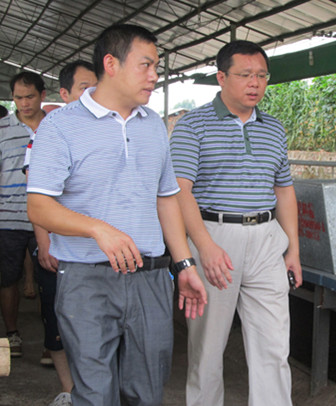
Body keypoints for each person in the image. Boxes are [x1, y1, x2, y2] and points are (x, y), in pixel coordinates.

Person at [26, 24, 207, 406]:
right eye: (145, 65)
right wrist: (97, 229)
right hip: (86, 280)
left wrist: (185, 263)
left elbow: (166, 199)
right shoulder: (60, 126)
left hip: (150, 277)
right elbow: (39, 205)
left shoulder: (153, 125)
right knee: (95, 394)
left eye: (156, 66)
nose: (154, 75)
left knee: (147, 392)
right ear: (111, 64)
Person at [170, 40, 302, 406]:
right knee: (208, 346)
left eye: (261, 75)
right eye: (245, 75)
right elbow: (180, 192)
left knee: (274, 344)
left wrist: (293, 249)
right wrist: (205, 246)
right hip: (214, 235)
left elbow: (284, 190)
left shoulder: (273, 128)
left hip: (266, 239)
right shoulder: (192, 125)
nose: (254, 83)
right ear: (221, 77)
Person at [23, 59, 97, 406]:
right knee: (59, 321)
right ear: (64, 94)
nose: (93, 93)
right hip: (61, 246)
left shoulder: (117, 127)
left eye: (97, 85)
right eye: (85, 87)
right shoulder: (49, 132)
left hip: (103, 250)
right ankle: (70, 391)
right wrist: (44, 242)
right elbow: (37, 197)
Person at [0, 71, 45, 359]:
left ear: (42, 95)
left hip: (48, 219)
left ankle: (52, 340)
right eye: (18, 98)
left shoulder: (55, 126)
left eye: (30, 97)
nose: (24, 103)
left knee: (49, 282)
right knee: (8, 279)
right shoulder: (2, 129)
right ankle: (12, 334)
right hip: (8, 218)